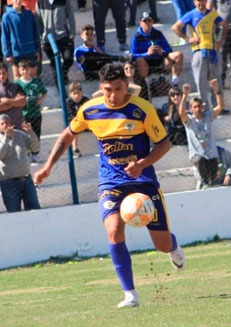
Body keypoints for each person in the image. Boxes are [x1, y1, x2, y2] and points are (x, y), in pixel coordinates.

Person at [33, 64, 186, 308]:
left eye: (118, 88)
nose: (113, 95)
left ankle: (173, 246)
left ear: (126, 85)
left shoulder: (142, 109)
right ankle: (130, 294)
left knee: (161, 243)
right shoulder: (90, 110)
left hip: (142, 181)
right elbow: (67, 135)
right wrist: (48, 166)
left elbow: (164, 144)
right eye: (107, 90)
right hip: (111, 182)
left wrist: (143, 163)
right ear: (100, 89)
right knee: (114, 230)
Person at [172, 0, 228, 108]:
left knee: (216, 80)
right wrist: (188, 39)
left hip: (213, 51)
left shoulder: (212, 14)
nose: (199, 4)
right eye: (197, 1)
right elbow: (175, 27)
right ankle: (204, 107)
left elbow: (224, 25)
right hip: (199, 51)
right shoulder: (191, 14)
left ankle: (219, 105)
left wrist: (222, 40)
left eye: (202, 1)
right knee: (201, 81)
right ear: (194, 2)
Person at [179, 80, 224, 188]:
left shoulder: (208, 117)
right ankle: (203, 182)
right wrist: (185, 95)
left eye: (199, 106)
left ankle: (210, 183)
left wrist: (216, 90)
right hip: (197, 156)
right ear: (191, 109)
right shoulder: (189, 121)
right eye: (195, 107)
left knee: (213, 176)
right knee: (201, 163)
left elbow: (220, 106)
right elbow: (181, 113)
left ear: (202, 107)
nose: (198, 109)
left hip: (211, 154)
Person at [0, 114, 40, 212]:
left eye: (7, 123)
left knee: (35, 211)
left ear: (11, 124)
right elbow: (1, 155)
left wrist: (31, 133)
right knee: (14, 213)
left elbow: (35, 148)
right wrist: (6, 138)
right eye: (2, 123)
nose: (5, 125)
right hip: (9, 183)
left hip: (26, 180)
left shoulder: (20, 135)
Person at [131, 12, 184, 86]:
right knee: (140, 60)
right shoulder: (137, 37)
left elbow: (168, 50)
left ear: (152, 22)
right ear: (141, 23)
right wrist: (147, 53)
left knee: (178, 54)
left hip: (160, 60)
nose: (147, 24)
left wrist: (161, 51)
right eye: (145, 21)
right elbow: (133, 55)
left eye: (149, 21)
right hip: (145, 63)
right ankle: (146, 85)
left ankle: (174, 82)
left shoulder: (158, 33)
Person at [36, 0, 76, 85]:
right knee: (54, 63)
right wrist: (41, 38)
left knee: (68, 58)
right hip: (48, 39)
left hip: (63, 35)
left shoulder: (64, 1)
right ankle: (60, 87)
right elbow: (38, 20)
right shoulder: (40, 2)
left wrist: (72, 32)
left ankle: (63, 74)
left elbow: (70, 15)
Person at [15, 60, 46, 163]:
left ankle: (35, 154)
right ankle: (27, 154)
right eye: (23, 69)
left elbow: (44, 92)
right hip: (24, 114)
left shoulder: (36, 82)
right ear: (19, 71)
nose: (25, 72)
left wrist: (41, 100)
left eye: (27, 69)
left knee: (36, 134)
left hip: (36, 113)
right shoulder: (17, 84)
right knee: (25, 134)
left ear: (30, 70)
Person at [1, 0, 41, 80]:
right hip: (16, 54)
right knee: (18, 80)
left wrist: (37, 49)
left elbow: (35, 32)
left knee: (33, 78)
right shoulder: (7, 16)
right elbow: (5, 36)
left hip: (30, 51)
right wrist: (7, 53)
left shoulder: (29, 14)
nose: (18, 1)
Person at [66, 82, 89, 158]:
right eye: (74, 93)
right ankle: (75, 149)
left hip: (86, 122)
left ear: (82, 93)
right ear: (70, 94)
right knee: (74, 128)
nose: (77, 96)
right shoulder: (69, 102)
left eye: (78, 93)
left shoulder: (86, 101)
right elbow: (70, 115)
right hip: (76, 122)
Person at [0, 62, 27, 130]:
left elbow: (23, 102)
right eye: (0, 74)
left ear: (8, 73)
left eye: (3, 73)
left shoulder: (16, 86)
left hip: (18, 126)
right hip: (3, 128)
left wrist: (7, 101)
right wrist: (15, 102)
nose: (2, 76)